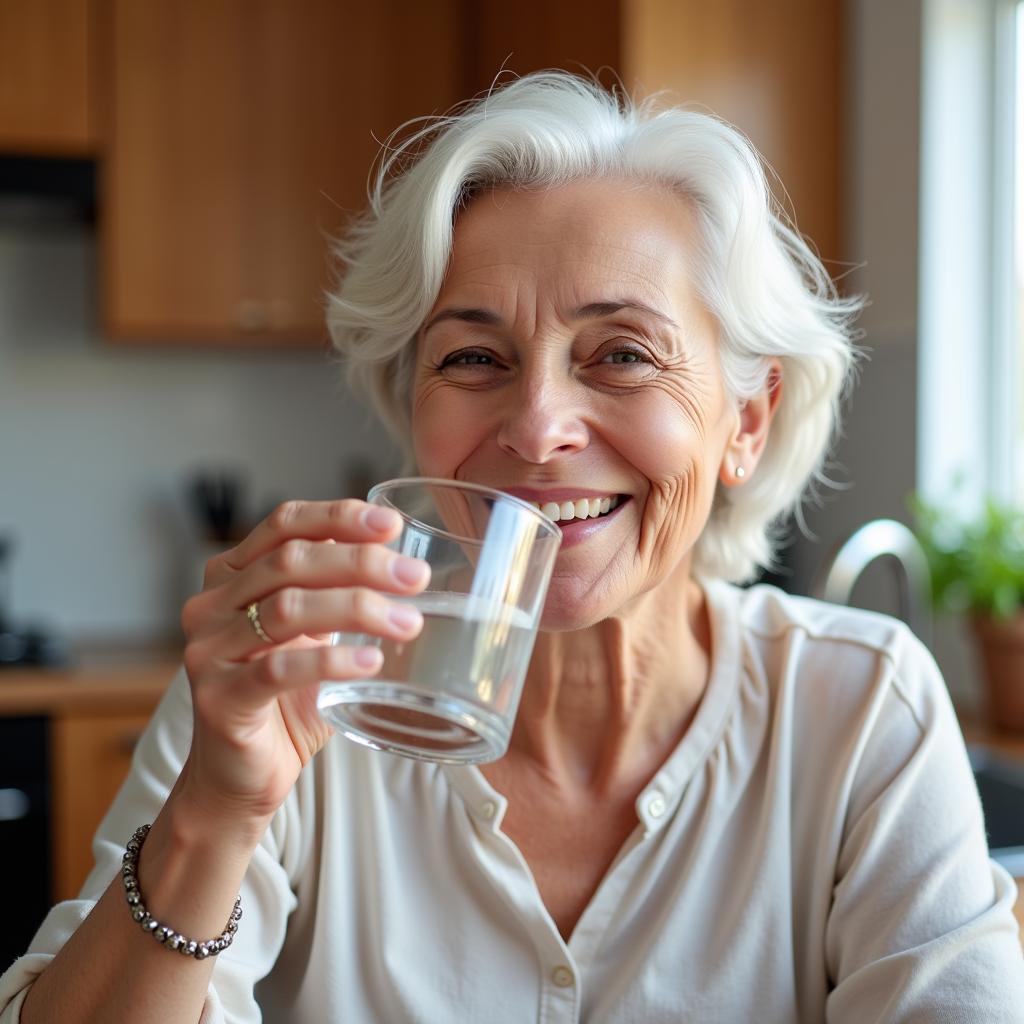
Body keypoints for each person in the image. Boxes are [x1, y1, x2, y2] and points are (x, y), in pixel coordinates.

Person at [3, 71, 1022, 1023]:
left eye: (621, 354)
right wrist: (214, 816)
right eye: (473, 357)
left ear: (746, 422)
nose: (537, 427)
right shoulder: (284, 692)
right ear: (413, 411)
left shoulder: (861, 707)